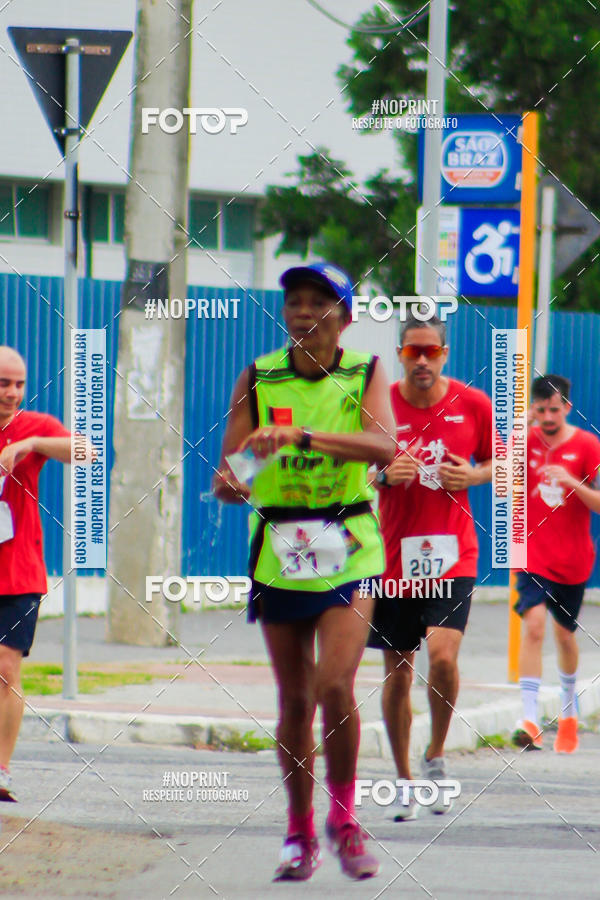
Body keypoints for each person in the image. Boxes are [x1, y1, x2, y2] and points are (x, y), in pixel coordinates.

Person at [213, 263, 395, 881]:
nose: (303, 312)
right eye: (294, 301)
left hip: (349, 541)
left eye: (319, 301)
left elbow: (383, 447)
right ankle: (298, 831)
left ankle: (344, 819)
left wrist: (303, 437)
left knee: (334, 686)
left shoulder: (364, 372)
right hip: (280, 548)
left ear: (343, 316)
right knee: (293, 700)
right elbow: (228, 479)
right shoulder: (258, 377)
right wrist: (240, 475)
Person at [368, 313, 492, 820]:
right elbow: (353, 473)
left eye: (431, 351)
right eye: (411, 351)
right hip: (394, 556)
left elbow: (505, 463)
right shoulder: (380, 406)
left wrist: (475, 474)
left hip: (453, 553)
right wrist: (382, 476)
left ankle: (437, 753)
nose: (421, 360)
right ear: (400, 354)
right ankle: (403, 779)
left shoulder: (474, 404)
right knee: (398, 673)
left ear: (444, 354)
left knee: (442, 657)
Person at [0, 346, 74, 801]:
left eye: (19, 384)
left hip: (19, 571)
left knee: (6, 669)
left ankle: (1, 769)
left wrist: (28, 445)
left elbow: (83, 448)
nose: (12, 393)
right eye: (3, 383)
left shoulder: (36, 426)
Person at [512, 374, 600, 753]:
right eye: (540, 408)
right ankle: (529, 719)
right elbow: (500, 481)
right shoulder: (522, 442)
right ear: (534, 407)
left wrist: (570, 480)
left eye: (554, 408)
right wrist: (521, 432)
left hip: (572, 557)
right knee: (533, 626)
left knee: (564, 635)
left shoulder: (587, 445)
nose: (547, 416)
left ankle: (568, 709)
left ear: (566, 407)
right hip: (531, 553)